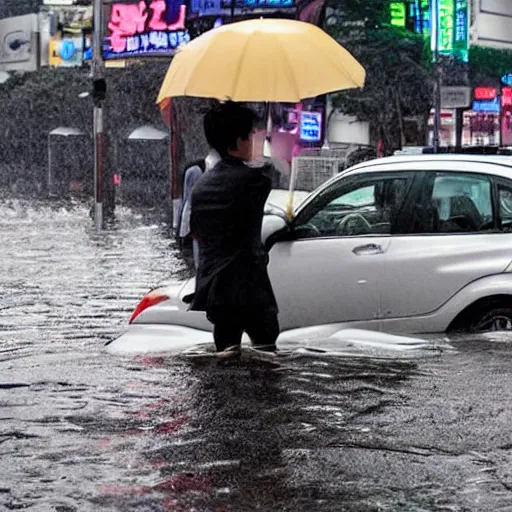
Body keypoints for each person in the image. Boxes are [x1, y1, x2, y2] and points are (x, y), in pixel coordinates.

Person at [189, 101, 279, 358]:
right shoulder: (255, 180)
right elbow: (267, 170)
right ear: (238, 142)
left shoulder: (201, 186)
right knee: (266, 352)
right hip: (249, 286)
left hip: (215, 287)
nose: (254, 140)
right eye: (251, 135)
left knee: (226, 352)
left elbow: (196, 233)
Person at [177, 149, 221, 268]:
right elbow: (189, 202)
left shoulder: (195, 170)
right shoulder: (197, 172)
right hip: (193, 227)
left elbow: (186, 202)